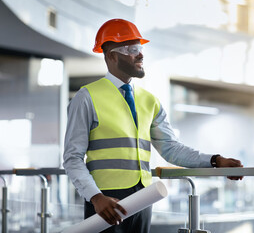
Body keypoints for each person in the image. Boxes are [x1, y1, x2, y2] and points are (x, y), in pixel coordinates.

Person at [63, 18, 243, 233]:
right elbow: (72, 158)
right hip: (105, 201)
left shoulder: (149, 100)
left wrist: (214, 161)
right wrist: (95, 197)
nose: (140, 54)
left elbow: (170, 148)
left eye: (140, 48)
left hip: (144, 197)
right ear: (111, 55)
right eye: (132, 49)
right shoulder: (87, 97)